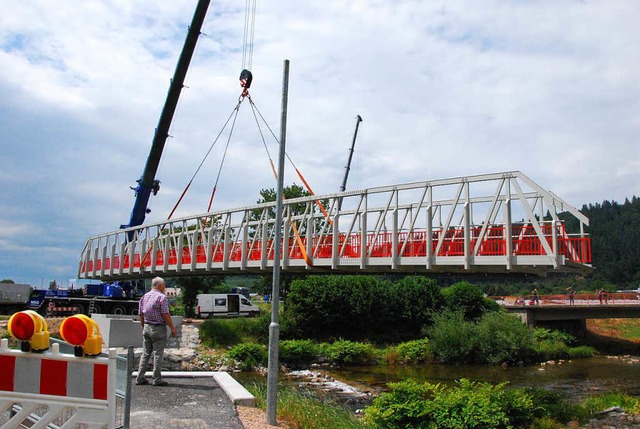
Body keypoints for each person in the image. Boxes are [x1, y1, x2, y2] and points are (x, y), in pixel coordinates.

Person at [136, 276, 177, 386]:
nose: (165, 287)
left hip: (147, 327)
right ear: (159, 285)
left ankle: (140, 377)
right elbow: (165, 314)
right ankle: (157, 379)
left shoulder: (144, 297)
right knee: (158, 354)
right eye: (164, 285)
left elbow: (141, 314)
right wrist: (172, 328)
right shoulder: (161, 298)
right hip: (158, 328)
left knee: (145, 353)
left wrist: (143, 326)